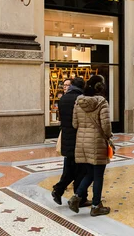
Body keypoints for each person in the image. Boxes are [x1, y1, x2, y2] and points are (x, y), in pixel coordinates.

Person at [68, 75, 112, 216]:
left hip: (82, 143)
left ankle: (76, 197)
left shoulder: (78, 102)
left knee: (90, 173)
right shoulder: (102, 102)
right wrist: (109, 136)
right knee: (98, 175)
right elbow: (106, 126)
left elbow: (75, 124)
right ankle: (96, 205)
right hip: (97, 142)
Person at [52, 77, 90, 207]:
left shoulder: (63, 99)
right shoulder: (80, 99)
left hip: (67, 138)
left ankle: (60, 190)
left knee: (69, 168)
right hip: (78, 138)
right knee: (81, 169)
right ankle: (79, 197)